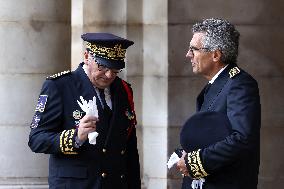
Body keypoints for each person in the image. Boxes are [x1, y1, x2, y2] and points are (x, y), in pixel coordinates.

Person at [28, 33, 141, 189]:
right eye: (102, 67)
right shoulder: (59, 86)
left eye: (115, 70)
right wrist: (76, 136)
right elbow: (36, 139)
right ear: (87, 56)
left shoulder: (124, 89)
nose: (108, 75)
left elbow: (129, 148)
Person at [176, 18, 261, 189]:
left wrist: (194, 162)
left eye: (194, 49)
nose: (188, 54)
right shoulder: (218, 84)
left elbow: (242, 139)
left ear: (216, 54)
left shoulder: (240, 84)